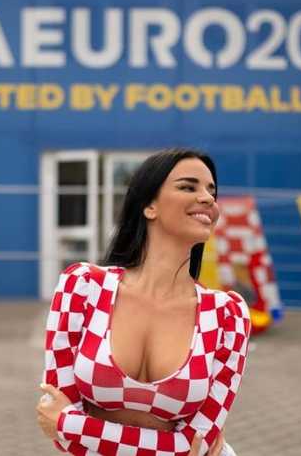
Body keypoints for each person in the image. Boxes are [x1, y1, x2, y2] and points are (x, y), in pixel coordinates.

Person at [37, 148, 251, 455]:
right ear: (149, 206)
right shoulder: (83, 289)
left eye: (211, 190)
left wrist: (73, 424)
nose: (207, 198)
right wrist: (65, 426)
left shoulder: (227, 315)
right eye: (188, 187)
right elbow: (63, 438)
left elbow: (195, 445)